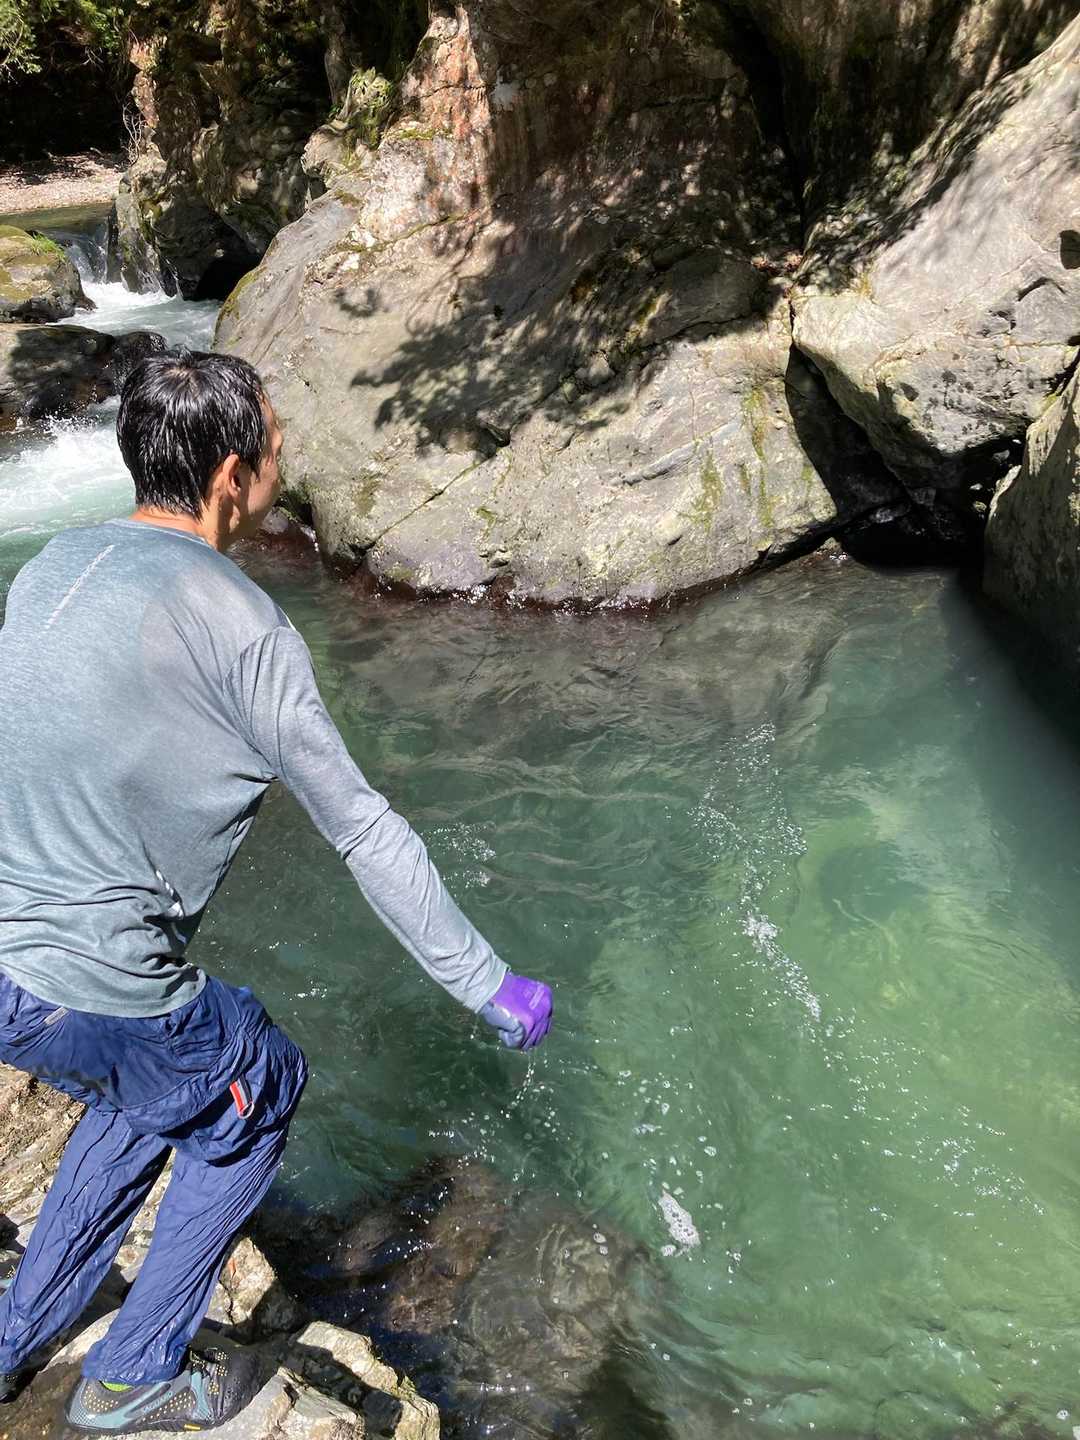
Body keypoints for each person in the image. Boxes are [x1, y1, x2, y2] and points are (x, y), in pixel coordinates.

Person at [0, 349, 552, 1434]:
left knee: (158, 1083)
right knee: (258, 1079)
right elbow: (363, 828)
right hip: (83, 987)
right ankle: (132, 1377)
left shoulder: (56, 562)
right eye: (276, 446)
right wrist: (486, 981)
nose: (284, 462)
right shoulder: (243, 626)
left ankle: (13, 1338)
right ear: (230, 478)